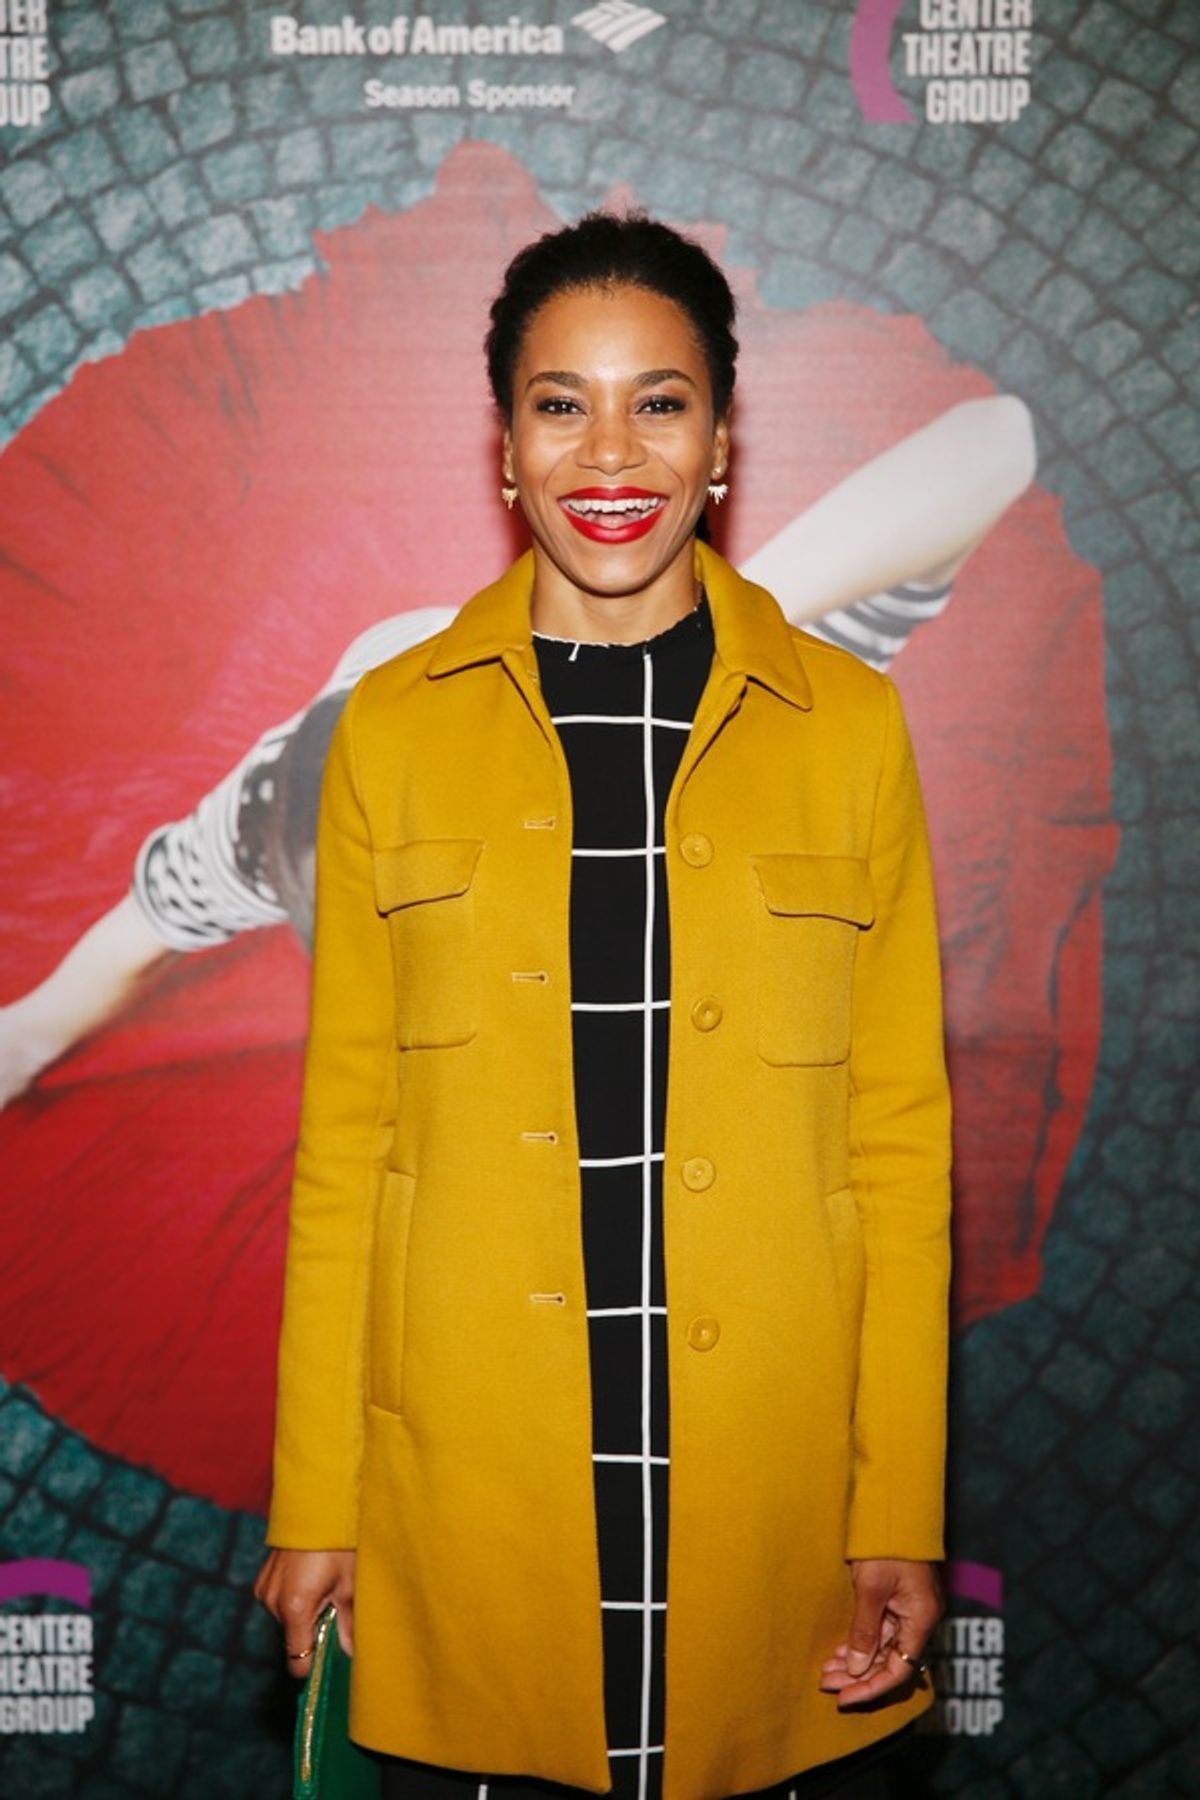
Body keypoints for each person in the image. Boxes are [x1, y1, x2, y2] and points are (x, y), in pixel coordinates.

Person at [253, 211, 956, 1800]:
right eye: (561, 403)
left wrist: (897, 1505)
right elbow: (349, 1149)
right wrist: (319, 1497)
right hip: (467, 1485)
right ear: (504, 448)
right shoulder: (392, 731)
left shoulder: (850, 728)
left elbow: (900, 1154)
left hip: (768, 1485)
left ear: (723, 440)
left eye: (663, 401)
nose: (612, 452)